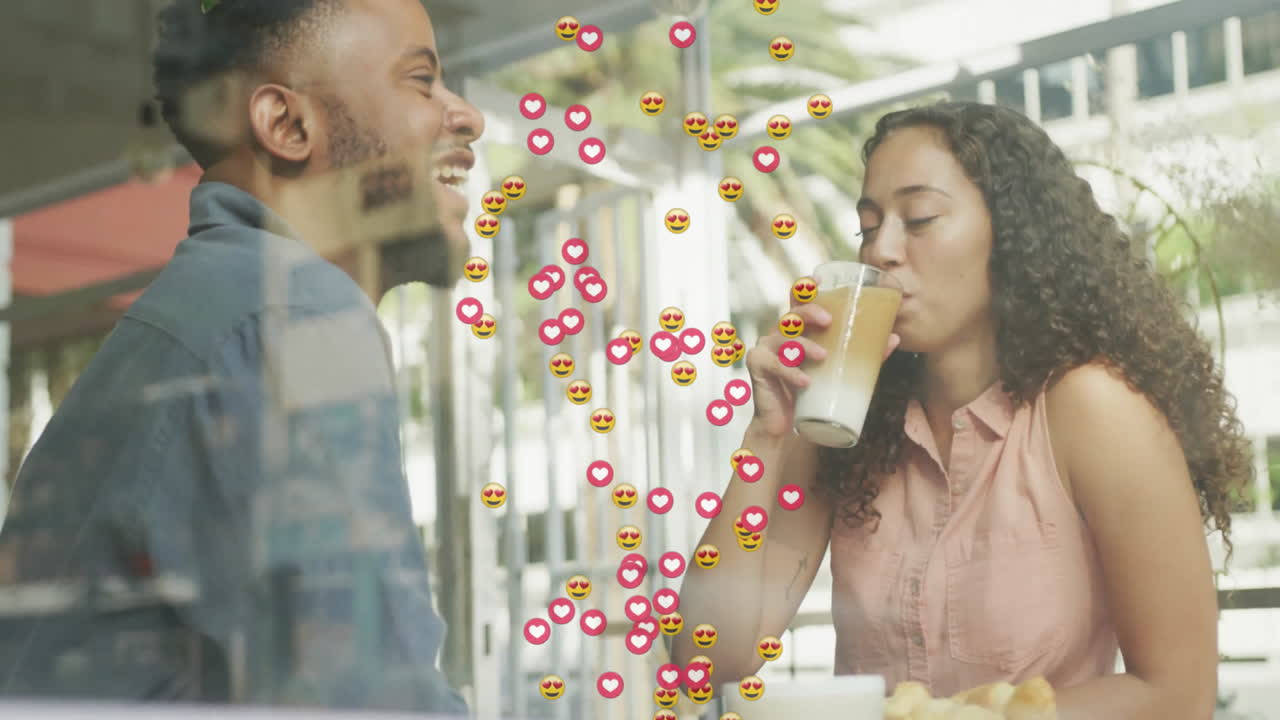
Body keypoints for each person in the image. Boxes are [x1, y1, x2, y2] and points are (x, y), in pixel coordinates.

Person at [673, 101, 1253, 719]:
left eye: (919, 218)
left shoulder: (1091, 408)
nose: (882, 251)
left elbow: (1177, 694)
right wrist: (767, 438)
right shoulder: (848, 423)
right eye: (869, 226)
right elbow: (705, 662)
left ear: (1011, 230)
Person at [0, 0, 483, 712]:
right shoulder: (288, 317)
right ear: (287, 125)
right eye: (421, 80)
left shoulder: (205, 321)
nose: (465, 115)